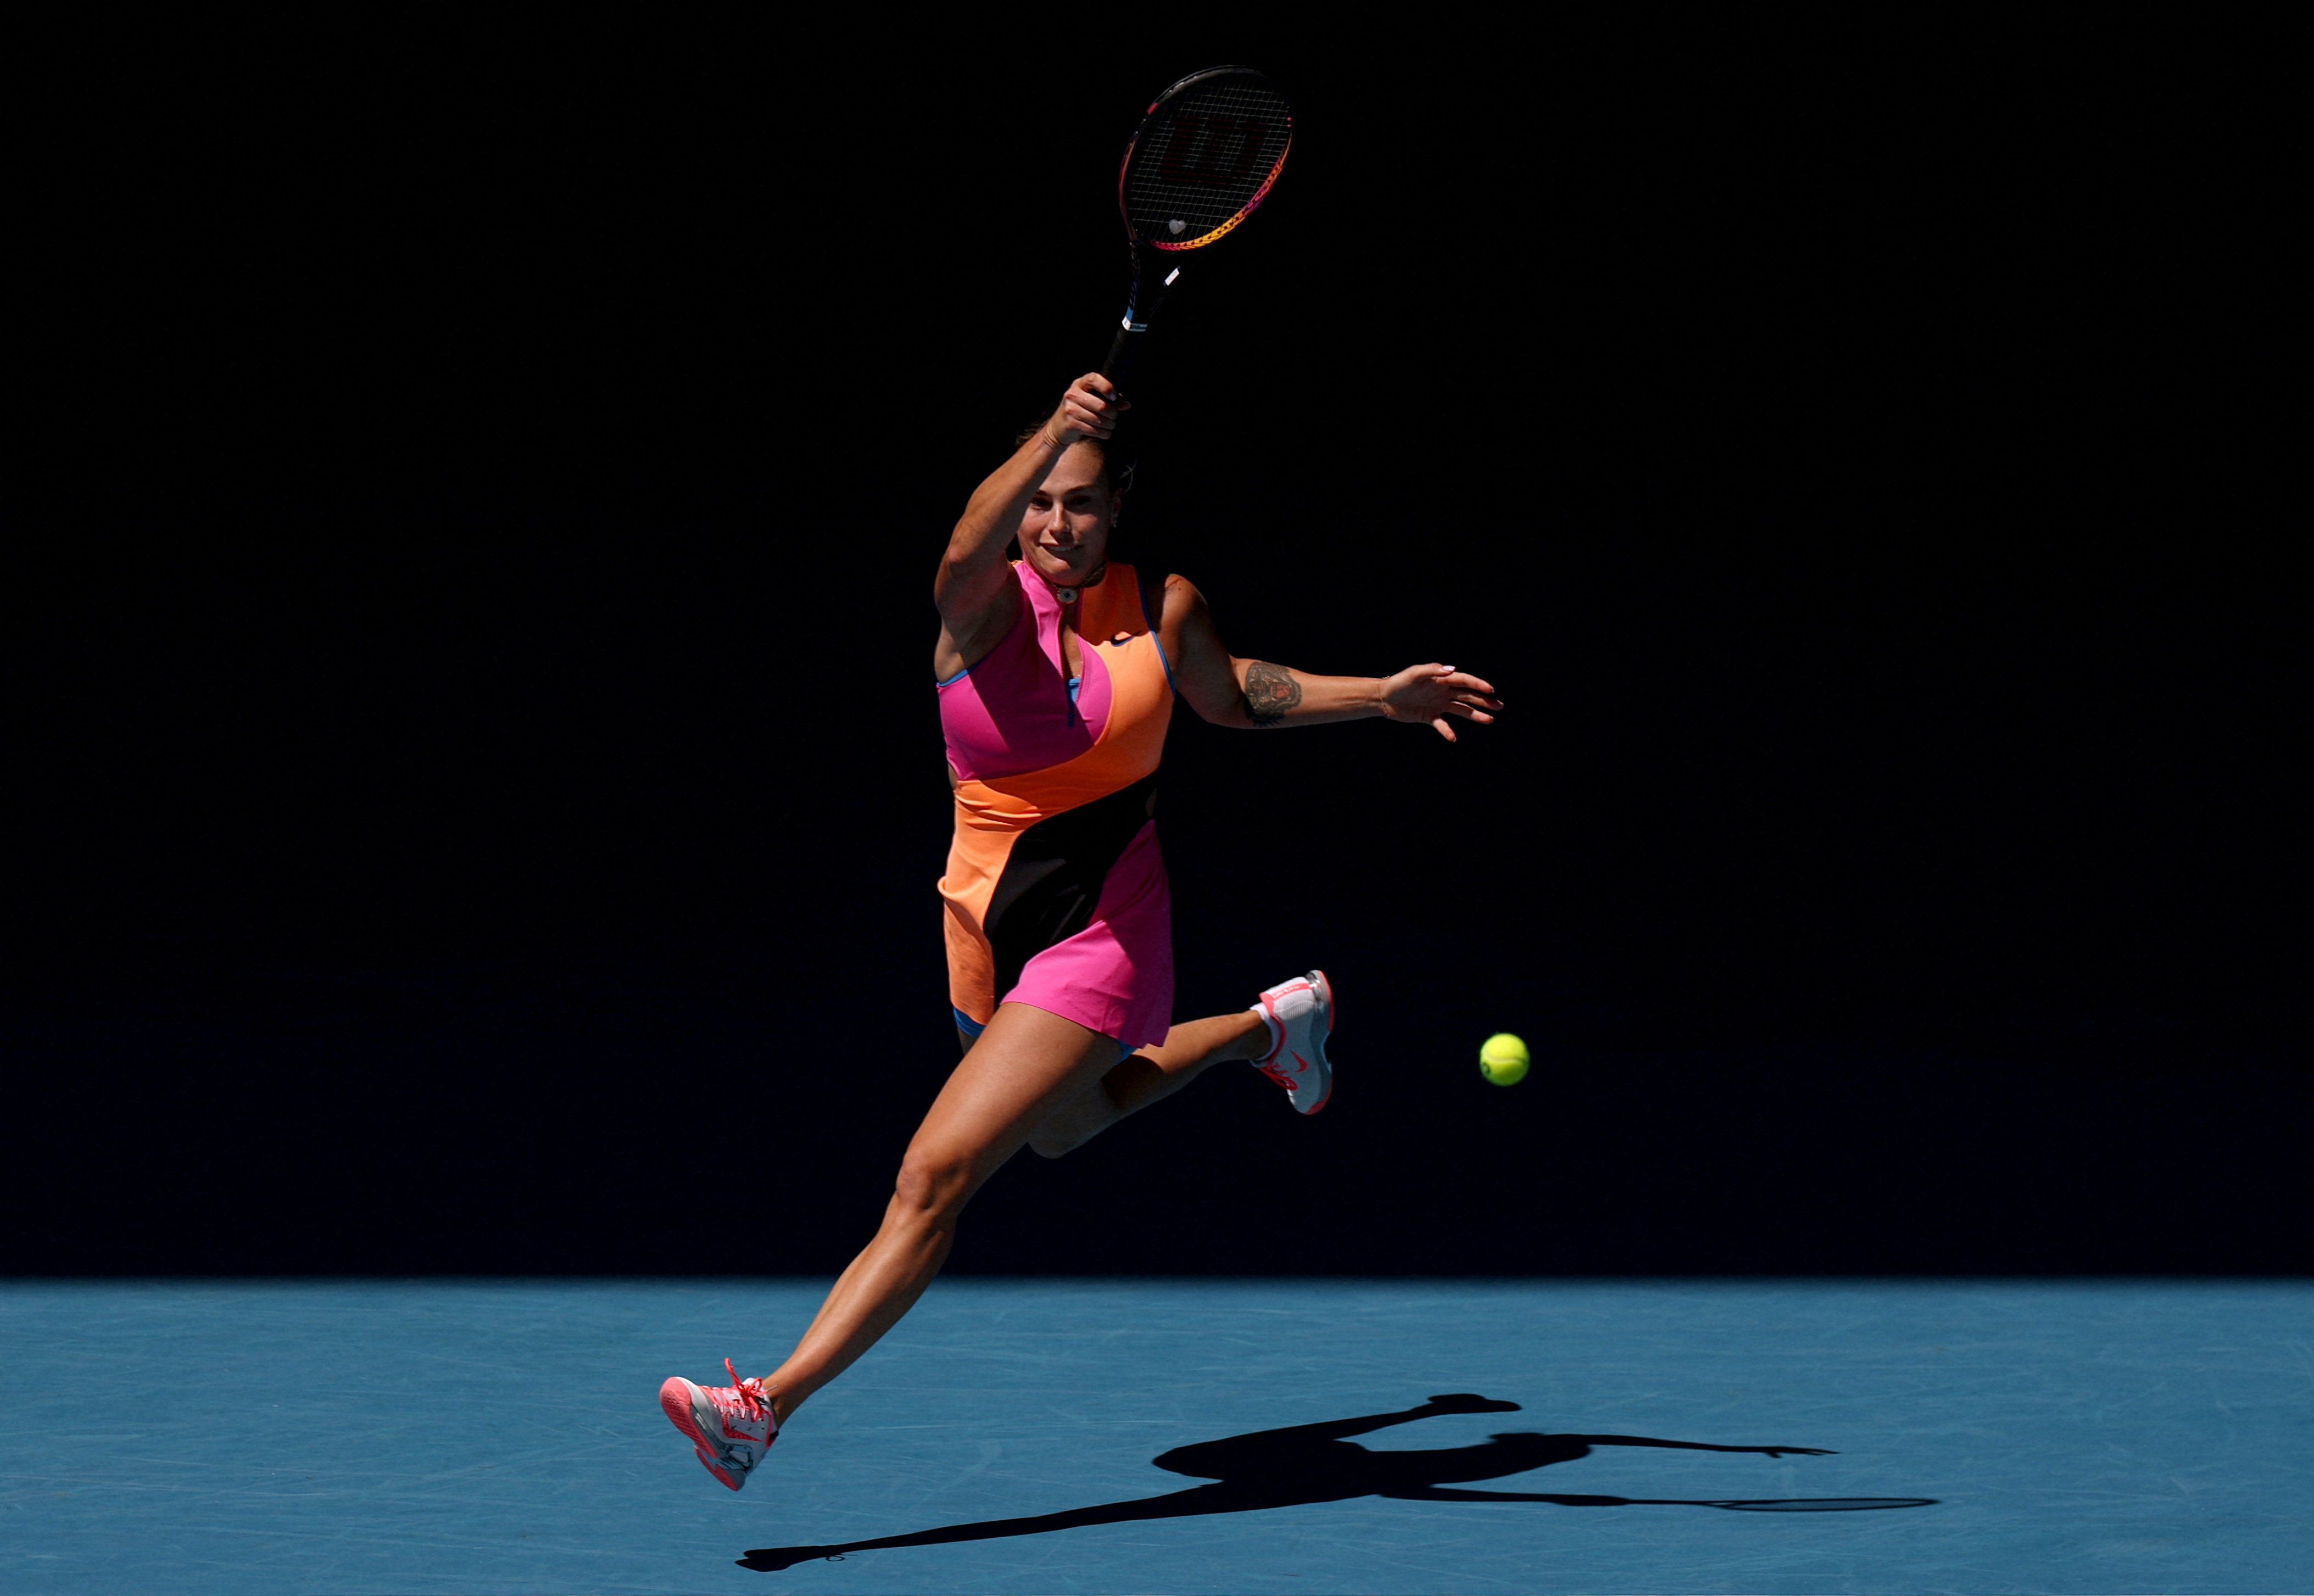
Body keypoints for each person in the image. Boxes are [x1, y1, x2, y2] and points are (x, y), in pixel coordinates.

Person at [659, 372, 1502, 1490]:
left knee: (934, 1177)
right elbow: (960, 552)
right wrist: (1058, 426)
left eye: (1085, 502)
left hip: (1104, 932)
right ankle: (1271, 1027)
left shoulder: (1166, 608)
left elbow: (1236, 694)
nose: (1060, 522)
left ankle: (763, 1405)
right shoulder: (982, 610)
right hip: (983, 932)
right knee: (1060, 1129)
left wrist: (1377, 697)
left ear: (1118, 508)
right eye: (1044, 500)